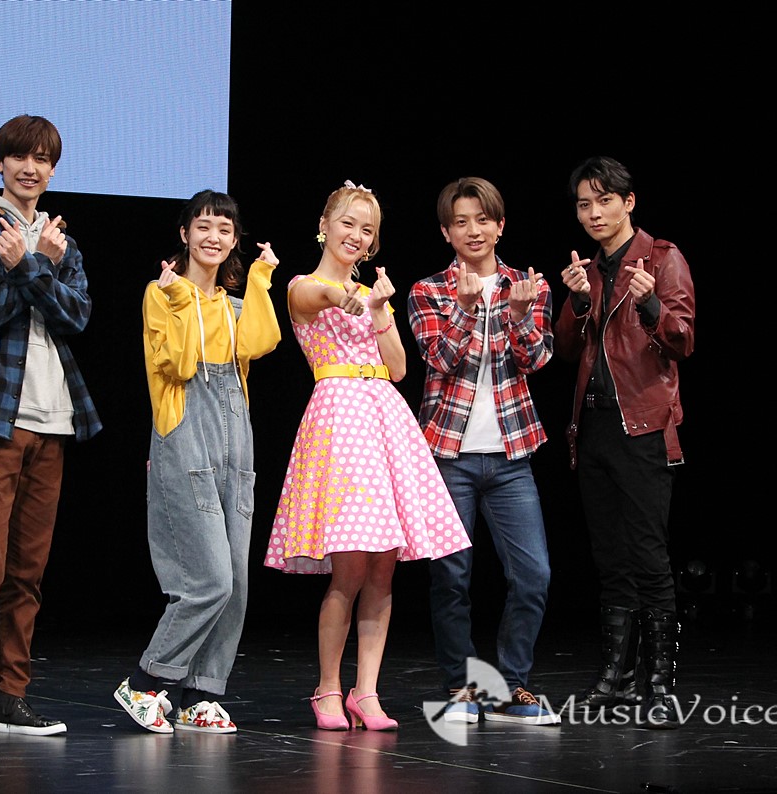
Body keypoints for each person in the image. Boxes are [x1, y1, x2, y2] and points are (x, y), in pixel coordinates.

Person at [265, 181, 471, 732]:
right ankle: (328, 688)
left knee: (383, 567)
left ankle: (367, 691)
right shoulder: (303, 285)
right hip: (340, 420)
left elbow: (399, 367)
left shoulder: (371, 291)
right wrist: (344, 297)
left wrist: (379, 309)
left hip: (384, 418)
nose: (356, 236)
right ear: (324, 225)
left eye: (367, 230)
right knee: (350, 566)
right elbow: (314, 299)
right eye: (348, 223)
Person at [0, 114, 101, 739]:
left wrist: (33, 265)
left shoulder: (60, 240)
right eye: (19, 156)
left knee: (28, 571)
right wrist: (39, 268)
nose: (30, 168)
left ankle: (11, 695)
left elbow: (76, 317)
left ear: (53, 170)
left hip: (53, 418)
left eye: (42, 159)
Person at [113, 190, 280, 735]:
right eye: (204, 226)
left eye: (225, 229)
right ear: (184, 234)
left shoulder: (234, 306)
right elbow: (181, 365)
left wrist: (260, 280)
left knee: (236, 583)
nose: (214, 237)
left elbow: (263, 341)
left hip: (237, 445)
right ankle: (145, 682)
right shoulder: (161, 294)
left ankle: (201, 694)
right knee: (209, 580)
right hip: (185, 438)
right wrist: (182, 300)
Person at [407, 176, 560, 727]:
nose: (473, 230)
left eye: (483, 219)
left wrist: (517, 315)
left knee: (534, 574)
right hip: (448, 457)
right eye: (461, 222)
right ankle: (462, 686)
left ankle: (512, 684)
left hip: (512, 456)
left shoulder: (529, 286)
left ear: (500, 225)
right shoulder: (428, 290)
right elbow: (439, 359)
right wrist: (469, 309)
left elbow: (538, 360)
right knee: (452, 578)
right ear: (446, 232)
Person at [556, 156, 695, 729]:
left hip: (642, 426)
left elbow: (683, 340)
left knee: (648, 556)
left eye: (604, 200)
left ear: (628, 201)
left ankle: (658, 684)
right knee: (609, 557)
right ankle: (615, 676)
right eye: (584, 204)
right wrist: (576, 304)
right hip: (593, 429)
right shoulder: (586, 270)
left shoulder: (661, 258)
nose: (594, 213)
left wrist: (650, 304)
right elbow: (568, 350)